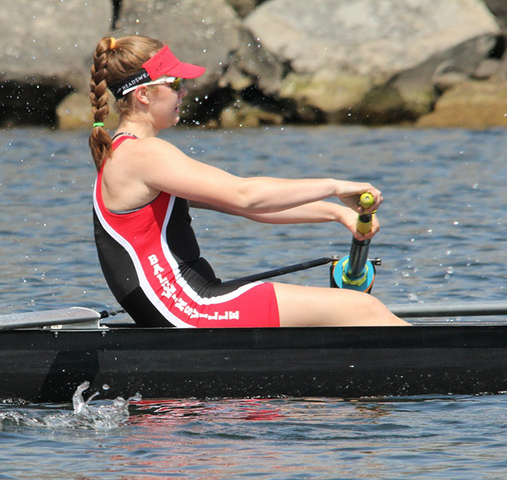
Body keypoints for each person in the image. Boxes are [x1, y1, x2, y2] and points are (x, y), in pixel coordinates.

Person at [88, 36, 407, 327]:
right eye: (176, 83)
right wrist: (336, 187)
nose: (184, 91)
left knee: (355, 310)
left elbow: (251, 209)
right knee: (363, 309)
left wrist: (336, 213)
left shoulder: (124, 152)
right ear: (143, 94)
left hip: (190, 303)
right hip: (188, 307)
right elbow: (246, 195)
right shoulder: (144, 155)